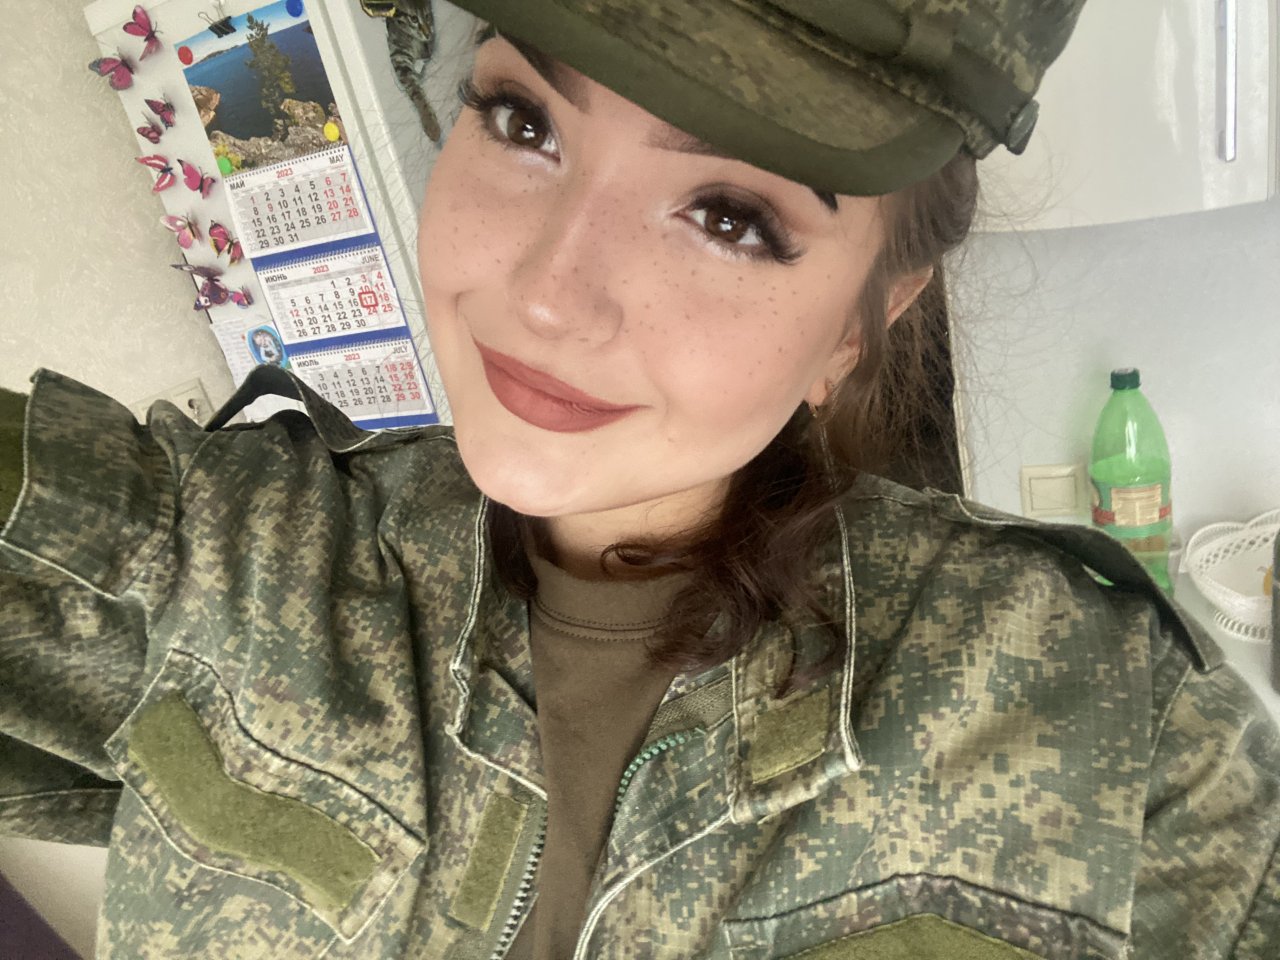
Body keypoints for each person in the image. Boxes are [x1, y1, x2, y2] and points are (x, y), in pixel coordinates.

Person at [2, 2, 1277, 959]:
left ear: (861, 325)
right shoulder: (229, 555)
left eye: (727, 215)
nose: (548, 295)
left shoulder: (1114, 738)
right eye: (522, 121)